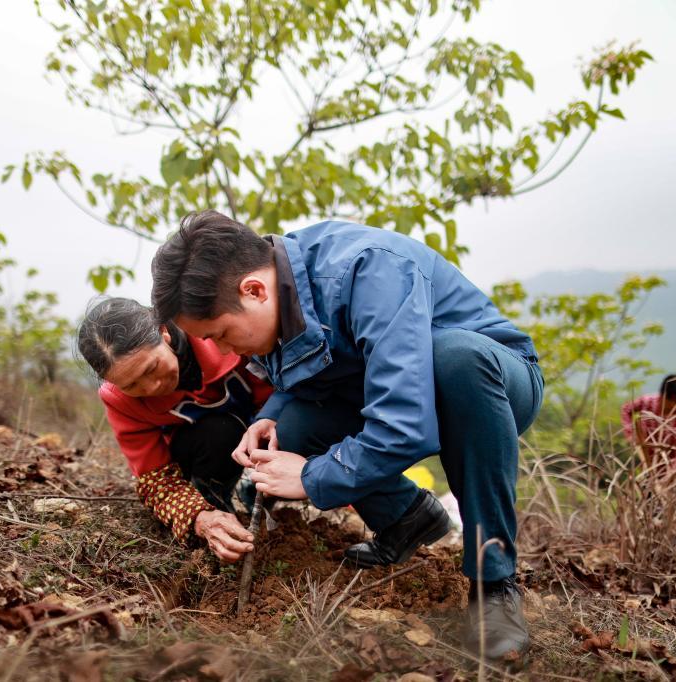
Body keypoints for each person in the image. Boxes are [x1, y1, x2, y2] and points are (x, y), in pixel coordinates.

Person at [150, 210, 544, 661]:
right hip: (392, 389)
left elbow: (404, 423)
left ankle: (493, 583)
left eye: (220, 334)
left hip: (491, 383)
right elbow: (321, 367)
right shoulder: (278, 283)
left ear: (253, 290)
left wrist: (312, 478)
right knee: (290, 432)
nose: (221, 350)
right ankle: (406, 517)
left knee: (454, 358)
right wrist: (272, 415)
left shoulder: (369, 269)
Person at [77, 297, 272, 562]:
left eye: (152, 368)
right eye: (132, 385)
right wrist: (199, 517)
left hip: (271, 427)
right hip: (208, 449)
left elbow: (285, 386)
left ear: (163, 332)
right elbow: (155, 481)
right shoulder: (119, 400)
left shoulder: (218, 331)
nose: (151, 387)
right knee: (218, 431)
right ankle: (215, 503)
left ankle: (260, 491)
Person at [621, 374, 676, 469]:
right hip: (641, 460)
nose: (673, 404)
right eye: (670, 399)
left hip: (667, 469)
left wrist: (671, 474)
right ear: (662, 393)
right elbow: (626, 409)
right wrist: (630, 434)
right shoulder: (647, 403)